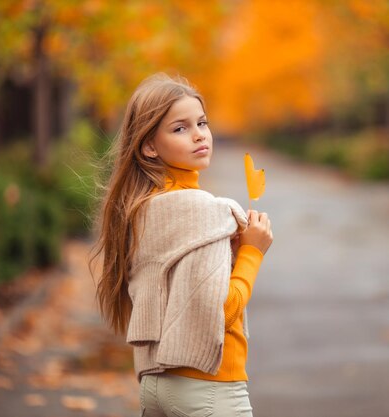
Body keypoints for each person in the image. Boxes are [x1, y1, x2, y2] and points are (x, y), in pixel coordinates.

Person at [91, 73, 273, 417]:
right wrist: (252, 252)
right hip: (210, 388)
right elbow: (220, 313)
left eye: (202, 122)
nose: (199, 134)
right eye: (180, 128)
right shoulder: (205, 212)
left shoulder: (140, 208)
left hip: (155, 386)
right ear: (149, 145)